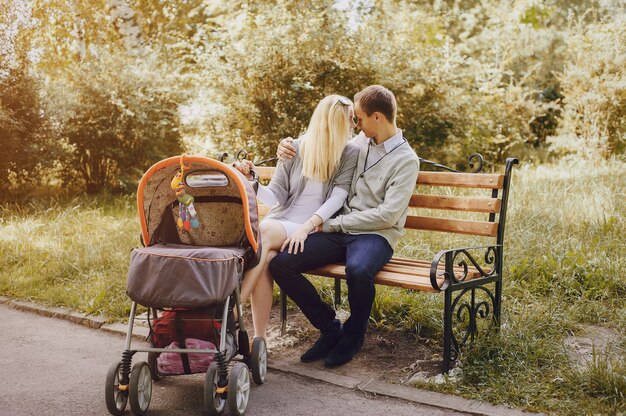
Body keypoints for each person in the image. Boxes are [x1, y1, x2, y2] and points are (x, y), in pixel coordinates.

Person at [270, 85, 419, 367]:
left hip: (375, 235)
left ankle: (354, 334)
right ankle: (329, 328)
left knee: (359, 269)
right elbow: (317, 139)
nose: (355, 125)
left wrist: (331, 225)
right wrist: (287, 146)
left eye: (359, 118)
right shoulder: (357, 145)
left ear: (377, 117)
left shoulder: (406, 160)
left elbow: (387, 215)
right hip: (339, 232)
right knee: (281, 264)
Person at [234, 94, 359, 341]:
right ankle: (259, 341)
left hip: (313, 227)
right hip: (283, 221)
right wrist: (253, 183)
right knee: (267, 258)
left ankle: (232, 313)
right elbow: (275, 198)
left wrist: (306, 226)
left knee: (265, 233)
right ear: (334, 122)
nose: (354, 126)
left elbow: (338, 198)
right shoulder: (296, 148)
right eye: (350, 120)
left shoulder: (349, 151)